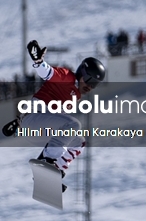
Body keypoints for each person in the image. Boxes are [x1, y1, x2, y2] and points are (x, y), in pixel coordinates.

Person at [8, 40, 105, 179]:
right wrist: (39, 61)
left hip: (39, 130)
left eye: (95, 84)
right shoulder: (67, 77)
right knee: (74, 125)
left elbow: (55, 122)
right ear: (82, 72)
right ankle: (47, 160)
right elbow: (47, 72)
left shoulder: (75, 96)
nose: (90, 86)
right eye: (89, 80)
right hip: (34, 118)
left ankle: (54, 170)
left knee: (79, 142)